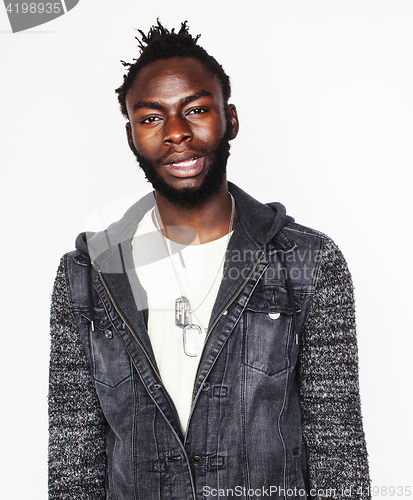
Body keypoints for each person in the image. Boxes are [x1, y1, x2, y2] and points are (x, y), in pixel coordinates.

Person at [48, 21, 370, 500]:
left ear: (230, 120)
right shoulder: (88, 274)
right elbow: (74, 461)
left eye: (196, 109)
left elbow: (336, 450)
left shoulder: (307, 262)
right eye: (151, 117)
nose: (176, 132)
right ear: (132, 135)